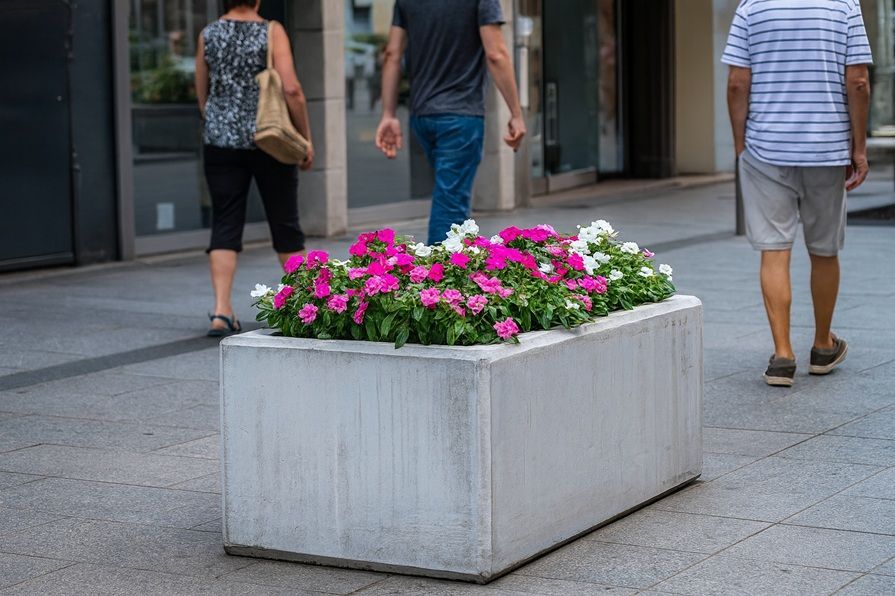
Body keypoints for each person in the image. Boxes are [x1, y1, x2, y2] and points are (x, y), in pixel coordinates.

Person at [723, 0, 872, 386]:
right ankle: (823, 346)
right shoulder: (844, 7)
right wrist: (857, 148)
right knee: (824, 250)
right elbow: (857, 80)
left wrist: (741, 145)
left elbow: (738, 82)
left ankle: (783, 357)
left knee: (775, 250)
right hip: (827, 148)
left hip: (766, 149)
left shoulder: (751, 8)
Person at [195, 0, 314, 337]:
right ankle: (308, 304)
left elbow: (201, 91)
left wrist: (219, 120)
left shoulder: (209, 33)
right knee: (285, 222)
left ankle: (221, 310)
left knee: (225, 222)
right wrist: (305, 138)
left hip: (220, 141)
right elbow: (292, 89)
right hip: (270, 140)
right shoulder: (272, 31)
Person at [375, 0, 526, 245]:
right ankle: (437, 277)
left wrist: (388, 114)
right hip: (460, 117)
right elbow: (496, 53)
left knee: (451, 198)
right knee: (451, 208)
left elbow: (392, 55)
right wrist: (516, 113)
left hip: (423, 116)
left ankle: (460, 272)